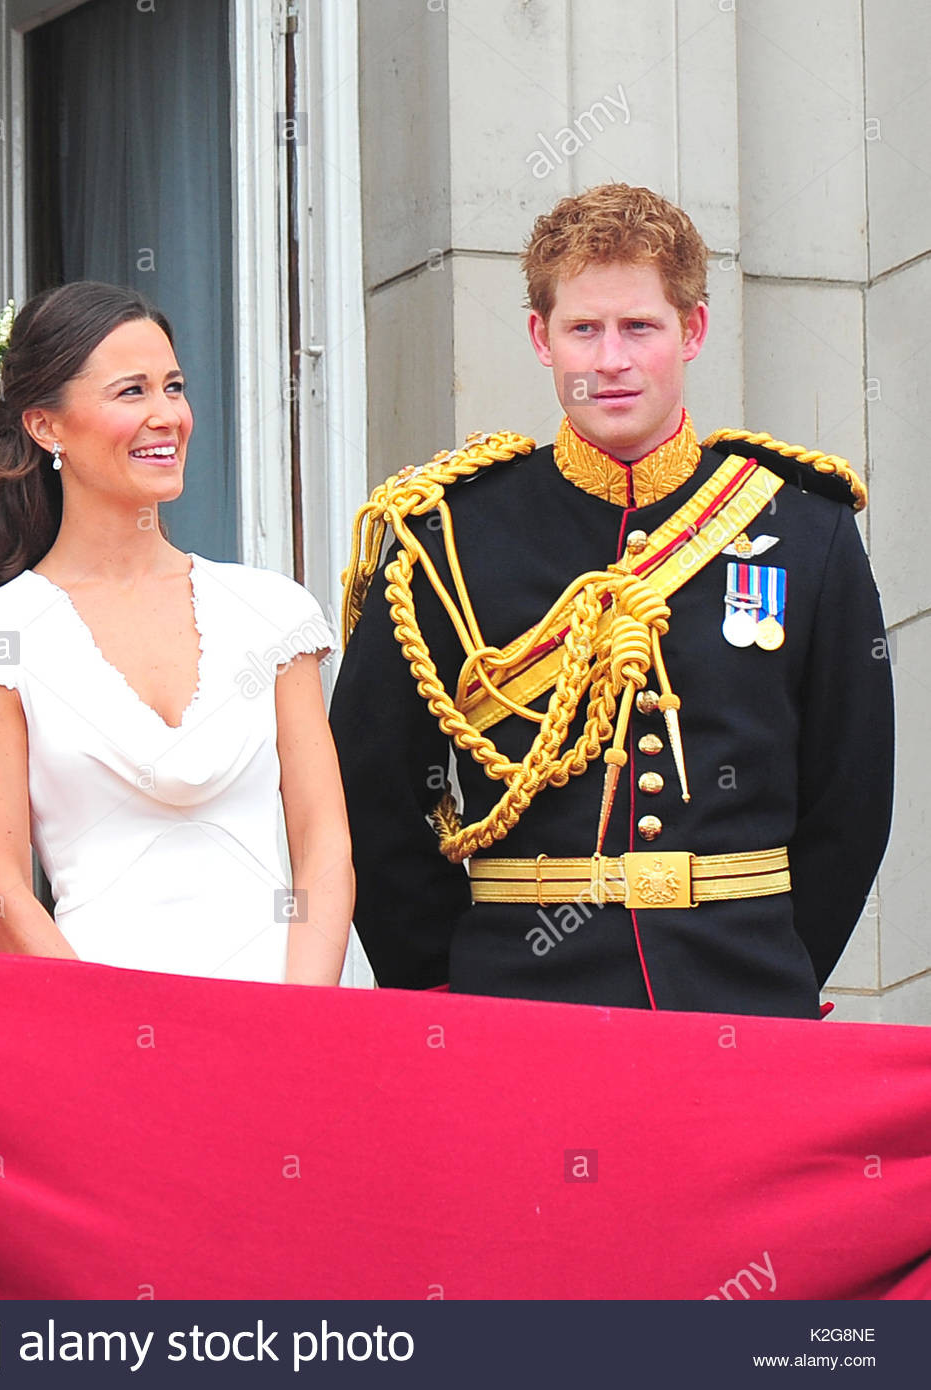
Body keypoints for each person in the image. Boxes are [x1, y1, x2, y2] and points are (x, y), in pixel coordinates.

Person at [329, 183, 894, 1019]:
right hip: (518, 1001)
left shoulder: (801, 528)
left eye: (639, 327)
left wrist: (780, 969)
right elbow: (370, 785)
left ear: (691, 331)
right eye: (582, 329)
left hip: (741, 995)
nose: (610, 360)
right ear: (540, 338)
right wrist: (442, 985)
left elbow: (850, 788)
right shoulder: (441, 536)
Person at [0, 281, 353, 984]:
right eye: (131, 392)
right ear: (45, 426)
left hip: (288, 1018)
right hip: (98, 1041)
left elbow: (324, 844)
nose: (167, 416)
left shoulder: (273, 611)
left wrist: (296, 1023)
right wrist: (116, 1043)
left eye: (173, 387)